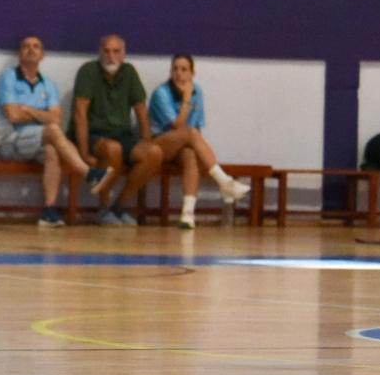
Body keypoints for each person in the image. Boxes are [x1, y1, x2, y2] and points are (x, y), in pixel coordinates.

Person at [0, 35, 99, 228]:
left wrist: (31, 110)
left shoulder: (48, 84)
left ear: (42, 55)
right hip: (10, 141)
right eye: (26, 46)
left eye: (36, 46)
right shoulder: (7, 78)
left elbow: (56, 118)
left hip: (39, 140)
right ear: (19, 53)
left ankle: (49, 210)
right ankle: (88, 172)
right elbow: (14, 115)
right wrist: (43, 115)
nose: (31, 49)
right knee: (51, 131)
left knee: (52, 148)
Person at [146, 55, 252, 229]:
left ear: (192, 73)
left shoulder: (198, 91)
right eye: (175, 69)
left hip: (183, 145)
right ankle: (224, 182)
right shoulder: (162, 93)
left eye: (184, 69)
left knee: (190, 156)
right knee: (189, 133)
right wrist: (187, 98)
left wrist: (200, 152)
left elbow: (197, 127)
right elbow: (178, 125)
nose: (179, 74)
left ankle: (187, 214)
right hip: (159, 145)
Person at [73, 35, 163, 226]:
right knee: (113, 149)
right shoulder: (88, 71)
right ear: (99, 53)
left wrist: (147, 140)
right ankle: (103, 209)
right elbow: (80, 112)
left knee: (154, 153)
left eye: (116, 51)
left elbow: (141, 110)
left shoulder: (129, 72)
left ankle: (120, 207)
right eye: (106, 51)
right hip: (94, 134)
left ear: (124, 54)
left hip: (123, 134)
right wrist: (83, 152)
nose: (111, 56)